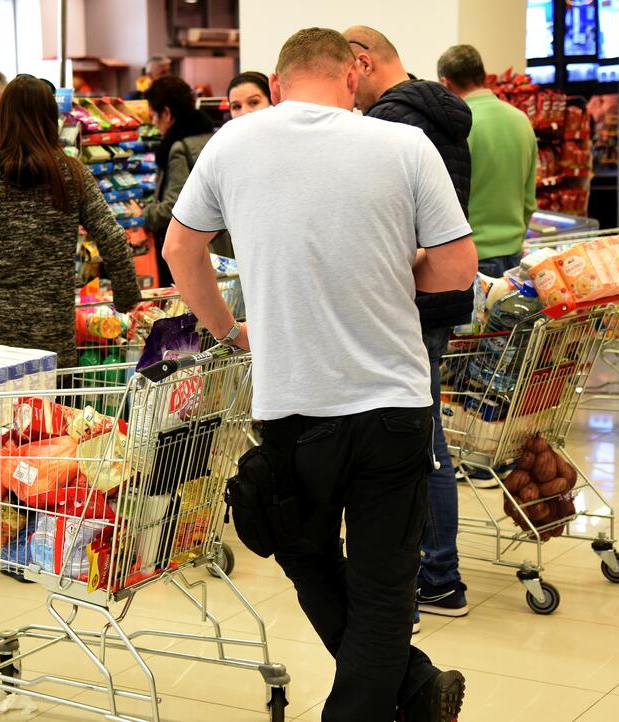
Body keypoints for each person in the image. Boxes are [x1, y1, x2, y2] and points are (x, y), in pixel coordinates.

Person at [163, 27, 475, 722]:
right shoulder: (402, 145)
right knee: (384, 589)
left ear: (276, 86)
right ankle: (413, 684)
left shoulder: (234, 141)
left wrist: (227, 331)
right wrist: (397, 270)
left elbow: (180, 249)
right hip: (393, 404)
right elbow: (456, 269)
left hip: (293, 405)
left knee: (300, 552)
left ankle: (386, 698)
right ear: (352, 76)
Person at [345, 25, 473, 623]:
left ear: (363, 62)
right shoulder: (439, 112)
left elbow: (392, 229)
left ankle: (438, 576)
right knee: (426, 435)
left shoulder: (393, 123)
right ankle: (434, 571)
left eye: (344, 77)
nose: (345, 94)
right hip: (438, 295)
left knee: (419, 445)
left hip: (406, 299)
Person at [0, 75, 140, 363]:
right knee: (48, 409)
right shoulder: (71, 174)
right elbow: (112, 237)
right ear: (50, 120)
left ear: (2, 119)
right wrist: (126, 299)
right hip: (50, 336)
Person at [439, 44, 537, 278]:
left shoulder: (458, 128)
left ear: (446, 83)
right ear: (483, 75)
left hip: (473, 257)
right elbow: (529, 199)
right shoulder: (521, 120)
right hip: (515, 254)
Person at [142, 76, 215, 285]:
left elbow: (174, 207)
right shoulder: (210, 137)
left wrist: (145, 214)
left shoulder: (179, 149)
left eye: (154, 115)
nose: (154, 123)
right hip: (214, 244)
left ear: (166, 113)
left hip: (188, 249)